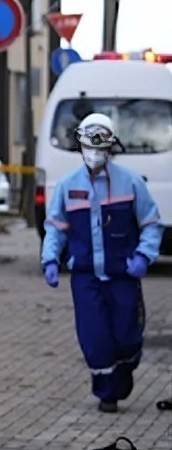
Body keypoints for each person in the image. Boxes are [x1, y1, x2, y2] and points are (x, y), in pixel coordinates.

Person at [40, 113, 164, 413]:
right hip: (86, 278)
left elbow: (151, 224)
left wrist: (143, 256)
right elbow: (56, 228)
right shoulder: (68, 186)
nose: (94, 151)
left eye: (100, 144)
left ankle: (124, 370)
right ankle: (107, 393)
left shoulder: (131, 183)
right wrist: (50, 260)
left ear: (111, 146)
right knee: (95, 339)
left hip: (123, 276)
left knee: (127, 338)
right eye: (88, 144)